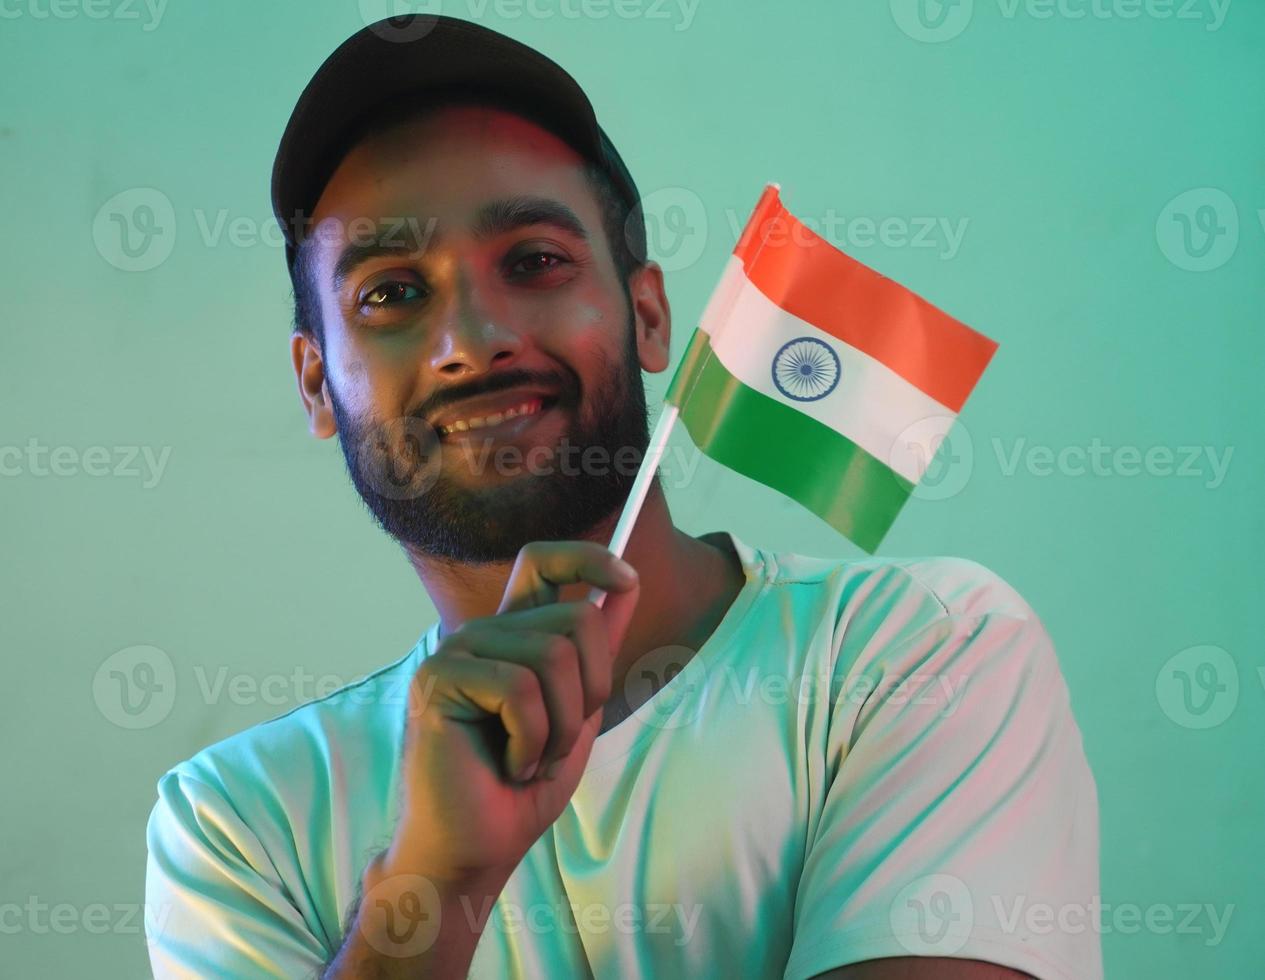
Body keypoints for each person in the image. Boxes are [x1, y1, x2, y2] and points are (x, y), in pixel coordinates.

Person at [144, 15, 1102, 979]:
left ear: (648, 316)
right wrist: (436, 883)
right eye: (390, 294)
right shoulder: (236, 821)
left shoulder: (920, 649)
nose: (471, 340)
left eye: (533, 261)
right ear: (317, 385)